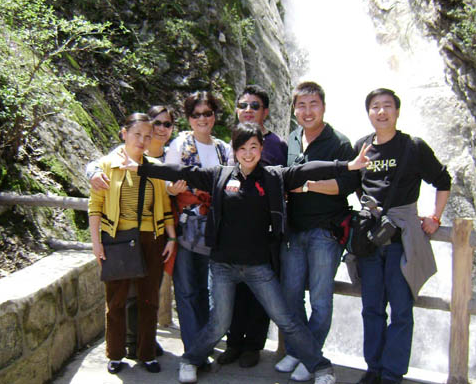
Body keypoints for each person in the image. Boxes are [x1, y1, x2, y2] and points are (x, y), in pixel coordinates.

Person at [121, 122, 372, 384]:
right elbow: (182, 171)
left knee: (286, 319)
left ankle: (321, 368)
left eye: (253, 147)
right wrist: (141, 168)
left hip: (258, 267)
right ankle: (190, 359)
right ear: (235, 150)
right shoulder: (220, 175)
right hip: (223, 266)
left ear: (261, 148)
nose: (248, 153)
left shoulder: (273, 176)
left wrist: (347, 166)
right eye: (242, 148)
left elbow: (307, 169)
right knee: (219, 324)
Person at [352, 88, 451, 384]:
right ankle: (374, 368)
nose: (381, 112)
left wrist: (435, 217)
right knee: (371, 308)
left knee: (401, 310)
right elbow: (354, 183)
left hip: (401, 241)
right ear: (368, 113)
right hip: (370, 241)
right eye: (375, 106)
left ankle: (392, 373)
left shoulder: (413, 147)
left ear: (397, 111)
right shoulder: (361, 147)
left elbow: (443, 179)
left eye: (387, 106)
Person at [85, 105, 182, 359]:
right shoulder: (107, 166)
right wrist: (96, 243)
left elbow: (165, 207)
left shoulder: (155, 167)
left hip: (152, 238)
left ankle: (146, 354)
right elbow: (95, 206)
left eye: (147, 136)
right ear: (124, 133)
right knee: (116, 300)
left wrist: (171, 237)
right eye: (137, 134)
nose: (142, 140)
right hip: (117, 238)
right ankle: (115, 354)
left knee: (149, 299)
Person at [276, 81, 357, 382]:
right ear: (294, 109)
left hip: (325, 232)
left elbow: (348, 185)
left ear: (323, 106)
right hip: (294, 231)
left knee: (321, 300)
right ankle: (299, 351)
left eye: (313, 104)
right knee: (291, 296)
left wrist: (308, 187)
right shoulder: (293, 139)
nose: (307, 111)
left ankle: (311, 359)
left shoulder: (339, 142)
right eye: (301, 105)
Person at [217, 85, 287, 368]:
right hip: (232, 233)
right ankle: (233, 343)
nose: (248, 110)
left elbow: (284, 182)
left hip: (262, 234)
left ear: (265, 112)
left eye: (255, 106)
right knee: (235, 292)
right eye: (243, 105)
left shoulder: (277, 144)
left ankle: (252, 346)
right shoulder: (232, 141)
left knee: (258, 294)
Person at [164, 91, 230, 357]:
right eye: (196, 114)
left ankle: (202, 345)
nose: (202, 119)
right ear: (189, 118)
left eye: (207, 113)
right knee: (187, 288)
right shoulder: (180, 145)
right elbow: (167, 181)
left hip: (215, 227)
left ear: (214, 115)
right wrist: (172, 189)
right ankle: (193, 353)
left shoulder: (223, 149)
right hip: (186, 226)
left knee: (207, 290)